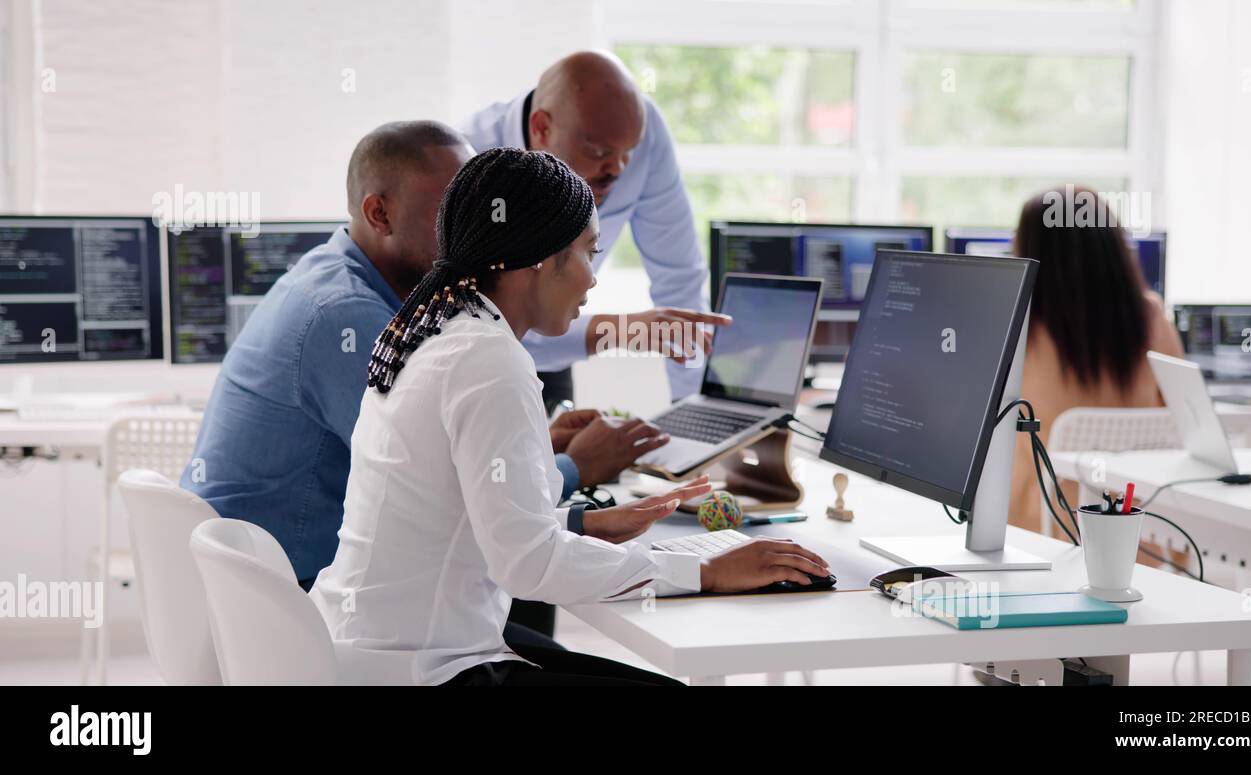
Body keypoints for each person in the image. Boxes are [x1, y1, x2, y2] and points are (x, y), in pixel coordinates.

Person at [310, 147, 830, 685]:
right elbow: (527, 564)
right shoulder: (488, 360)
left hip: (366, 645)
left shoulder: (436, 331)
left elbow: (470, 519)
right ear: (538, 256)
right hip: (421, 669)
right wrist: (706, 571)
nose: (592, 278)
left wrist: (578, 522)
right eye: (588, 251)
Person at [181, 121, 667, 604]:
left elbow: (433, 456)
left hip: (280, 588)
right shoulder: (347, 316)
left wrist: (535, 446)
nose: (478, 223)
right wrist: (576, 465)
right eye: (452, 205)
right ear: (379, 213)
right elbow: (450, 483)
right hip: (283, 596)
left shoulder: (374, 300)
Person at [461, 50, 729, 411]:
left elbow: (680, 279)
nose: (618, 169)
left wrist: (692, 408)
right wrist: (619, 330)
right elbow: (475, 321)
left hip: (555, 351)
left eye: (628, 152)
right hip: (476, 366)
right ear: (542, 128)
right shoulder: (470, 163)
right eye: (600, 151)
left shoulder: (639, 135)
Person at [1008, 185, 1185, 547]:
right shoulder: (1151, 317)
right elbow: (1182, 422)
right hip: (1139, 536)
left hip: (1040, 531)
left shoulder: (1017, 321)